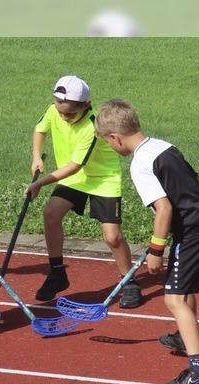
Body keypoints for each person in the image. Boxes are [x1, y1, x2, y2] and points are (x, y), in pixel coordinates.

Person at [95, 98, 199, 384]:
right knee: (184, 286)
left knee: (173, 298)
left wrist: (156, 249)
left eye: (109, 143)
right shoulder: (164, 146)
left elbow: (163, 209)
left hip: (191, 227)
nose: (111, 147)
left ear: (115, 137)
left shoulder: (140, 164)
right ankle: (183, 336)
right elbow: (198, 182)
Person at [26, 75, 142, 308]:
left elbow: (74, 165)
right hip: (75, 179)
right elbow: (40, 130)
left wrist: (40, 183)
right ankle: (57, 272)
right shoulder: (54, 110)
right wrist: (37, 156)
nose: (63, 118)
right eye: (60, 113)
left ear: (86, 105)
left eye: (69, 114)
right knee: (51, 214)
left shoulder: (91, 125)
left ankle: (128, 281)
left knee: (112, 236)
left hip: (102, 179)